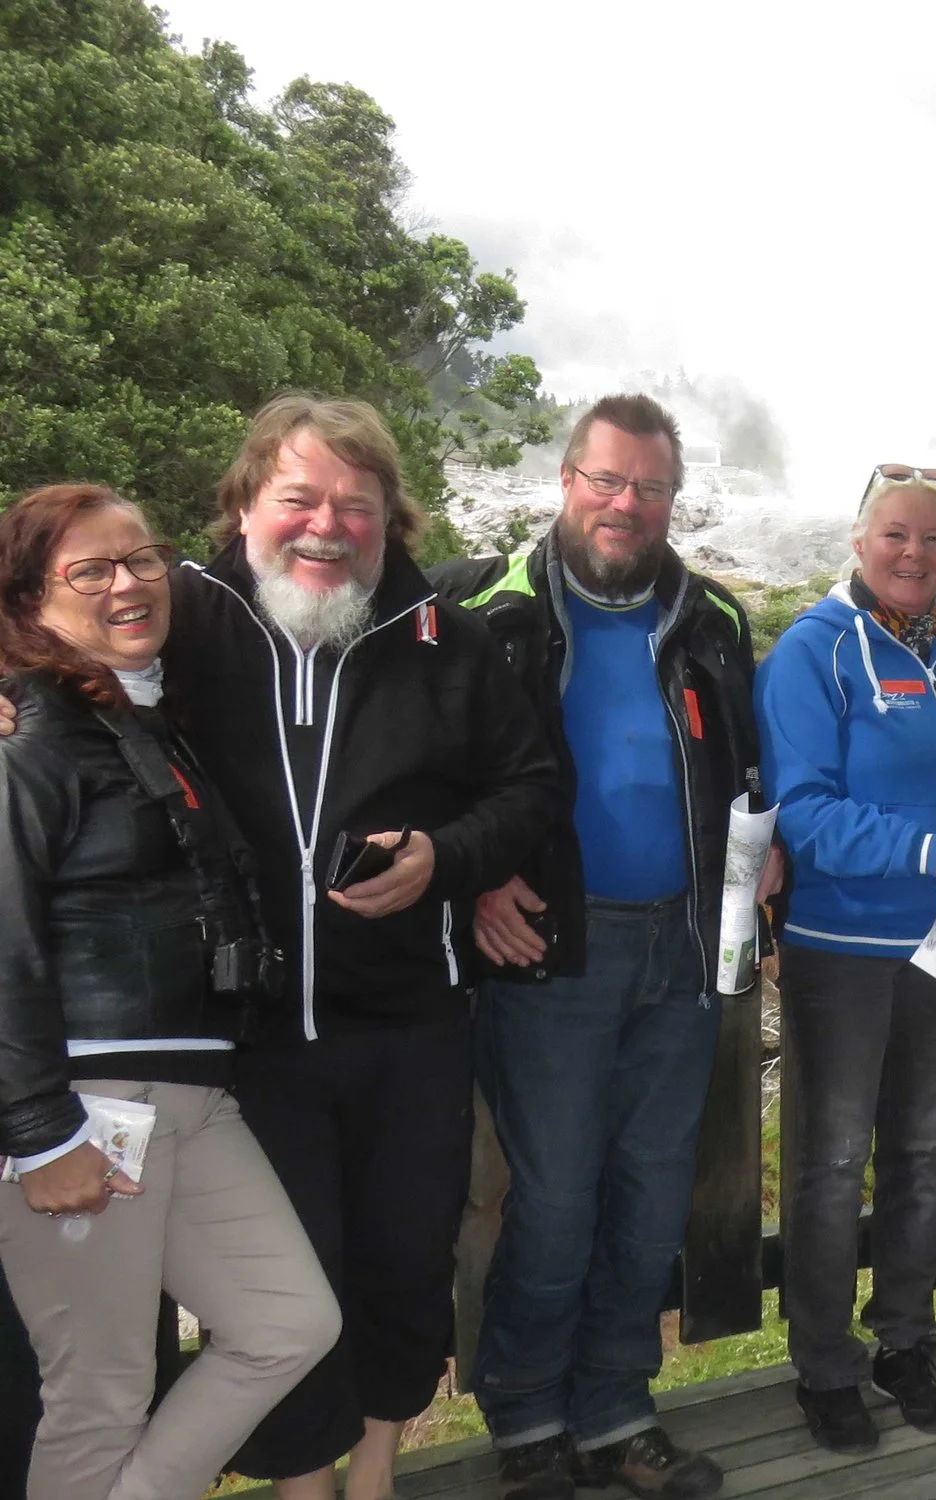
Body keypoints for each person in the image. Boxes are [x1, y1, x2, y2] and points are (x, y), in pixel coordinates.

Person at [169, 398, 562, 1500]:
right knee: (285, 1286)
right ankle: (301, 1481)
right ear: (246, 503)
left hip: (409, 1022)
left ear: (394, 518)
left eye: (357, 505)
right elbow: (64, 651)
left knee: (402, 1258)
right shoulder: (182, 622)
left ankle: (378, 1462)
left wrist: (444, 857)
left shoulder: (446, 636)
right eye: (298, 498)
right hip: (242, 1032)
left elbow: (530, 791)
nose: (326, 528)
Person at [428, 395, 765, 1500]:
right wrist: (472, 874)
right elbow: (421, 772)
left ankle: (618, 1409)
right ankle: (528, 1421)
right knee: (560, 1194)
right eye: (608, 481)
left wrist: (760, 869)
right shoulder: (480, 608)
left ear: (675, 498)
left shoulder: (711, 617)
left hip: (680, 943)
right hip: (551, 949)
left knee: (651, 1190)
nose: (628, 505)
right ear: (566, 480)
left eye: (651, 487)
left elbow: (746, 773)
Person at [0, 485, 340, 1500]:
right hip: (89, 1104)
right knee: (99, 1391)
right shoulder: (30, 739)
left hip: (191, 1094)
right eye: (90, 569)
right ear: (30, 595)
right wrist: (38, 1133)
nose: (127, 583)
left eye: (142, 558)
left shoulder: (149, 713)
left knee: (289, 1322)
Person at [756, 464, 936, 1452]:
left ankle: (904, 1341)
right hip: (842, 947)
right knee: (830, 1165)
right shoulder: (812, 654)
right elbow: (803, 807)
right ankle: (824, 1367)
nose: (915, 555)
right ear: (860, 541)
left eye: (933, 540)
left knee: (916, 1153)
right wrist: (924, 851)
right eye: (897, 536)